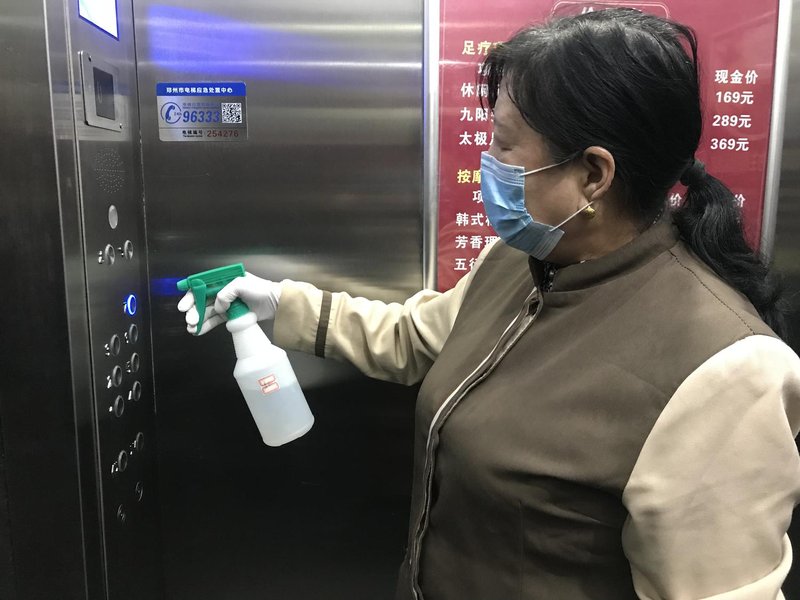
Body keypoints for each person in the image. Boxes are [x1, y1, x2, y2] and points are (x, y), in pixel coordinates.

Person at [178, 8, 800, 599]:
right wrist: (278, 304)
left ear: (593, 175)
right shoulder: (520, 261)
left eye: (503, 145)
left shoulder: (728, 372)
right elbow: (415, 338)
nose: (487, 162)